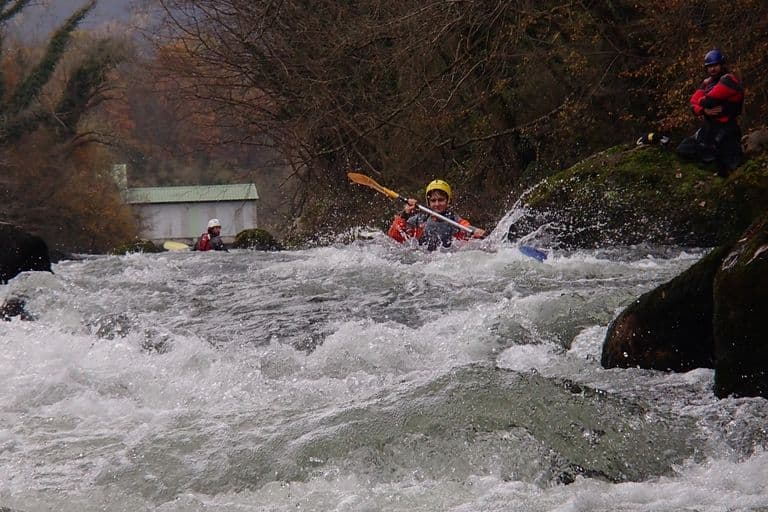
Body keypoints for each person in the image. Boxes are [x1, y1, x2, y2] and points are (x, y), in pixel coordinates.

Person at [677, 49, 744, 176]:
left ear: (722, 65)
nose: (712, 69)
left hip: (727, 128)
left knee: (731, 166)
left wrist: (703, 102)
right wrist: (703, 110)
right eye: (709, 66)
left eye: (715, 65)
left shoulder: (729, 79)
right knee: (684, 149)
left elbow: (708, 101)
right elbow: (693, 103)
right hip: (709, 128)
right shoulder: (707, 82)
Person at [387, 179, 486, 250]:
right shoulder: (420, 220)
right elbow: (394, 237)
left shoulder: (454, 221)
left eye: (441, 200)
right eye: (433, 200)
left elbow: (466, 227)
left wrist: (477, 232)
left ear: (448, 201)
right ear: (428, 202)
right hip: (422, 262)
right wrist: (405, 214)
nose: (437, 204)